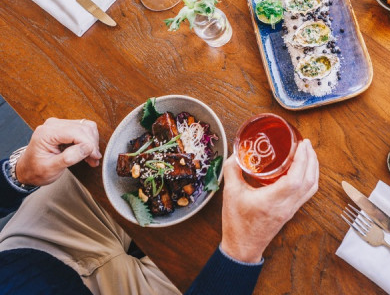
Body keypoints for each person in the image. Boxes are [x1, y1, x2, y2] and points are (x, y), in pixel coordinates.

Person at [0, 117, 319, 295]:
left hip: (34, 245)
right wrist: (241, 251)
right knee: (203, 242)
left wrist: (19, 172)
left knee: (116, 173)